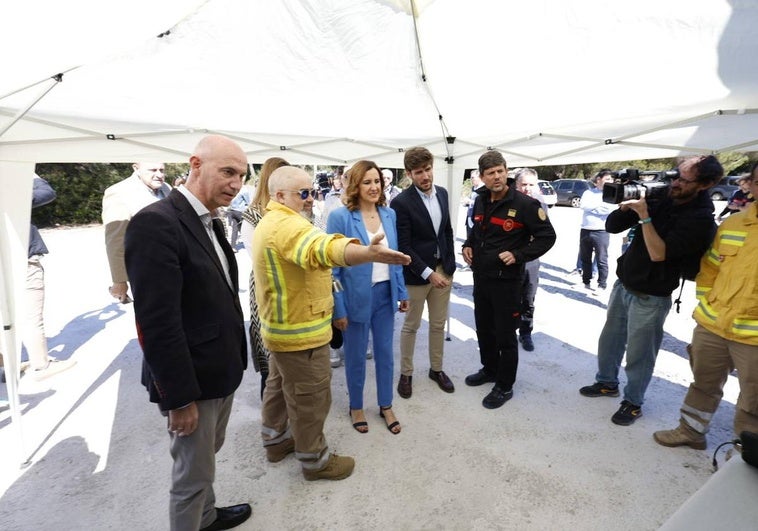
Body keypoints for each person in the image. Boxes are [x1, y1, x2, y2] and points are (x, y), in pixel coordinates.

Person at [124, 135, 252, 531]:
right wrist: (178, 398)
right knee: (190, 479)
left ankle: (208, 517)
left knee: (205, 459)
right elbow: (157, 323)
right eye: (227, 172)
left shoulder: (211, 218)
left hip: (218, 371)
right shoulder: (156, 223)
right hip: (191, 382)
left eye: (242, 176)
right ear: (196, 164)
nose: (235, 184)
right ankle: (196, 517)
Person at [253, 166, 410, 481]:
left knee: (279, 387)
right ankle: (316, 461)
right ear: (279, 195)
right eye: (304, 193)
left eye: (311, 191)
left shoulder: (276, 220)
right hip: (300, 332)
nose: (310, 199)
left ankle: (276, 440)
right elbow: (322, 248)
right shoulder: (287, 225)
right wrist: (364, 252)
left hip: (283, 328)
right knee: (310, 399)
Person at [579, 155, 724, 426]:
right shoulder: (666, 195)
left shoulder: (700, 219)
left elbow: (659, 254)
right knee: (609, 342)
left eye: (683, 179)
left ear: (705, 184)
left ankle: (633, 402)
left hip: (652, 295)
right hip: (625, 283)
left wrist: (644, 216)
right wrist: (627, 208)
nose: (675, 183)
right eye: (675, 176)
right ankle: (607, 383)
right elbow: (611, 226)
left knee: (640, 354)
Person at [653, 162, 758, 449]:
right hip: (712, 326)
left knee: (753, 400)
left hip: (753, 338)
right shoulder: (734, 224)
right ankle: (691, 432)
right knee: (703, 385)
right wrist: (709, 302)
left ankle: (742, 455)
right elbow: (710, 268)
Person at [462, 151, 556, 409]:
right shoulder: (480, 200)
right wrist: (468, 245)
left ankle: (505, 386)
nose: (497, 177)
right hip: (482, 278)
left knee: (505, 335)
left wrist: (519, 254)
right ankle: (489, 369)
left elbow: (547, 237)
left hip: (507, 282)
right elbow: (476, 229)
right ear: (482, 177)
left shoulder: (525, 204)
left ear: (507, 171)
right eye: (490, 173)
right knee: (484, 328)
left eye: (500, 171)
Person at [327, 161, 409, 434]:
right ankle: (357, 406)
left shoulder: (389, 214)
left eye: (377, 181)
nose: (374, 187)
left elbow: (394, 256)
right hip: (355, 299)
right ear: (355, 185)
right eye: (367, 182)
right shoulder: (340, 217)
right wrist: (338, 308)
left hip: (385, 294)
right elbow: (333, 269)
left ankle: (386, 404)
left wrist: (401, 291)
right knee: (355, 355)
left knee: (386, 354)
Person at [391, 147, 457, 399]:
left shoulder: (442, 193)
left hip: (444, 271)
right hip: (417, 275)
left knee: (438, 325)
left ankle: (436, 370)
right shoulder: (401, 203)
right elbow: (403, 246)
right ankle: (406, 373)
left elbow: (447, 232)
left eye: (428, 169)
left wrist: (449, 265)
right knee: (411, 326)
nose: (425, 176)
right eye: (418, 172)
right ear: (409, 174)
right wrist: (429, 273)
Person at [239, 156, 290, 397]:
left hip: (294, 290)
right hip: (267, 288)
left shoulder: (296, 211)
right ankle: (273, 420)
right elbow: (261, 259)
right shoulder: (252, 216)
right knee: (269, 357)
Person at [23, 176, 76, 380]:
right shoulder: (9, 196)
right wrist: (32, 173)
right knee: (31, 315)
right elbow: (46, 192)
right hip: (22, 259)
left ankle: (5, 364)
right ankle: (41, 364)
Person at [102, 162, 171, 304]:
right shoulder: (119, 192)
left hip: (176, 267)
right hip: (147, 271)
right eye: (153, 169)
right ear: (136, 168)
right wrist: (119, 280)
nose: (159, 175)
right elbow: (115, 241)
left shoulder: (167, 188)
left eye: (162, 170)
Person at [512, 168, 549, 352]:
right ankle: (509, 329)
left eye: (531, 185)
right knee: (509, 297)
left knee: (528, 297)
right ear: (516, 185)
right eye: (523, 184)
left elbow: (544, 235)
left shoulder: (539, 205)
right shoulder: (507, 204)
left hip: (530, 260)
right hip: (510, 259)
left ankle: (525, 332)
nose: (527, 188)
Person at [578, 170, 616, 291]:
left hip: (601, 231)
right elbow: (583, 205)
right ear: (599, 179)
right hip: (586, 229)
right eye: (607, 179)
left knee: (602, 259)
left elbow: (610, 209)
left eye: (611, 179)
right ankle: (586, 281)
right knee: (585, 258)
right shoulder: (588, 192)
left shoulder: (612, 193)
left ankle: (602, 284)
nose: (610, 181)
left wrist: (594, 208)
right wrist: (599, 207)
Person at [226, 180, 252, 250]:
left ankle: (233, 246)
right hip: (240, 211)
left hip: (232, 211)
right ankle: (250, 243)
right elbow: (248, 202)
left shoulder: (233, 190)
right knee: (246, 228)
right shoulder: (243, 189)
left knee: (235, 229)